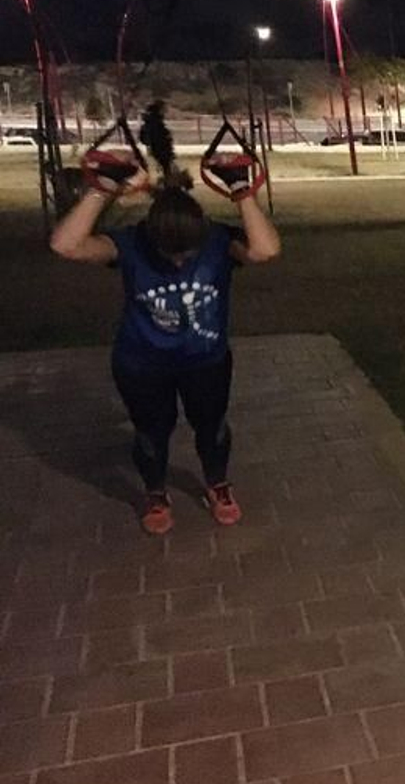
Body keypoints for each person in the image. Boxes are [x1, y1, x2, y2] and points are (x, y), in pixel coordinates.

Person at [49, 103, 281, 535]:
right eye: (169, 254)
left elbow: (266, 250)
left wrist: (242, 193)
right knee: (151, 434)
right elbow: (65, 245)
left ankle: (217, 483)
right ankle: (155, 491)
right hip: (141, 363)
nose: (178, 262)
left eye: (187, 255)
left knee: (211, 429)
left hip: (205, 361)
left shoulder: (217, 240)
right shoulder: (131, 244)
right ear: (150, 237)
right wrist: (102, 190)